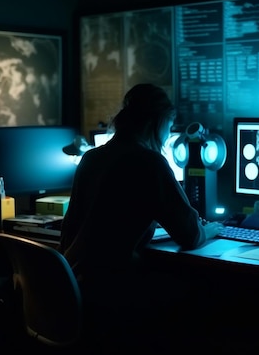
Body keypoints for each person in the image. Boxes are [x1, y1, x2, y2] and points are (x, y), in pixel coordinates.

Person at [58, 83, 223, 350]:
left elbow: (71, 229)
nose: (169, 134)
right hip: (112, 295)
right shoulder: (150, 162)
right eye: (169, 126)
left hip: (74, 287)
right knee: (208, 297)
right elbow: (190, 235)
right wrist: (212, 229)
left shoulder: (91, 158)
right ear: (156, 123)